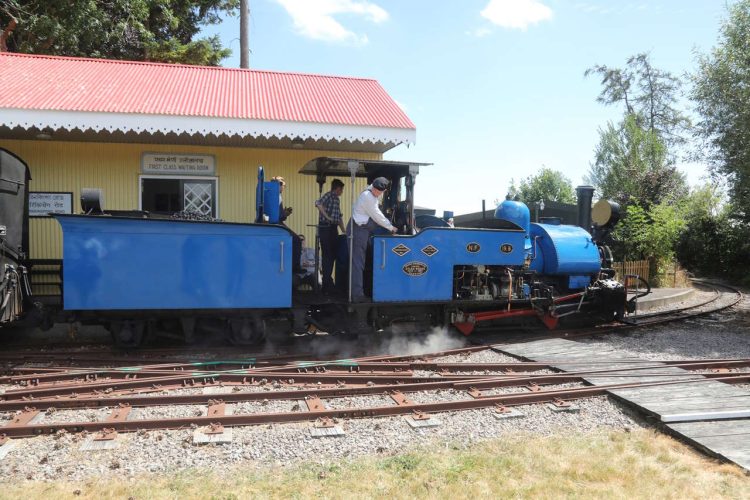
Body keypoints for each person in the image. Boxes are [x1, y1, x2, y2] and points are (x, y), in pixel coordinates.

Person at [348, 177, 397, 302]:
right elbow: (377, 216)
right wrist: (391, 227)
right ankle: (357, 295)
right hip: (359, 230)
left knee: (360, 262)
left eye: (379, 192)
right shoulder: (368, 197)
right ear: (373, 187)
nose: (377, 193)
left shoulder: (369, 194)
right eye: (376, 190)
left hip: (362, 229)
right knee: (357, 264)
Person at [315, 179, 346, 293]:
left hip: (333, 229)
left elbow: (339, 217)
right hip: (325, 228)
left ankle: (328, 282)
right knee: (327, 255)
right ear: (337, 188)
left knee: (333, 255)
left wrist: (344, 231)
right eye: (341, 189)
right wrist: (327, 217)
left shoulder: (337, 200)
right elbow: (318, 203)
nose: (342, 192)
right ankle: (326, 284)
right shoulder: (328, 195)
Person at [272, 176, 301, 273]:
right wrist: (285, 213)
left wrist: (285, 213)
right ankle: (295, 267)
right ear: (278, 185)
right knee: (297, 240)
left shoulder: (272, 195)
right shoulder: (277, 196)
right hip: (277, 224)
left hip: (275, 222)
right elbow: (279, 216)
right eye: (284, 185)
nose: (284, 188)